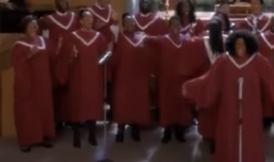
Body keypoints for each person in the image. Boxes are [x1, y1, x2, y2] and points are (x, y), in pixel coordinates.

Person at [182, 31, 274, 162]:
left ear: (249, 45)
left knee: (250, 137)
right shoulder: (223, 61)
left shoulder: (258, 60)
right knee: (228, 134)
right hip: (228, 106)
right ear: (231, 45)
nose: (240, 47)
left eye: (243, 44)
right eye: (237, 44)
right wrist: (191, 87)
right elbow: (209, 80)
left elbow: (272, 80)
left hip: (252, 107)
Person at [55, 9, 110, 148]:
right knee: (76, 106)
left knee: (93, 105)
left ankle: (92, 135)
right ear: (80, 21)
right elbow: (65, 57)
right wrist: (71, 56)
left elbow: (104, 55)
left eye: (91, 18)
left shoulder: (99, 37)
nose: (90, 20)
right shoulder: (72, 37)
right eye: (87, 18)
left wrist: (105, 58)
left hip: (94, 77)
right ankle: (76, 136)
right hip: (77, 77)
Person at [12, 15, 56, 152]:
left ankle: (42, 137)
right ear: (25, 28)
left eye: (36, 26)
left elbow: (53, 57)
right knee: (28, 111)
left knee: (43, 108)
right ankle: (26, 140)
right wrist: (29, 55)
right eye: (31, 26)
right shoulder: (19, 45)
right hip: (28, 81)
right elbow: (17, 63)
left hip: (43, 82)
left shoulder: (43, 40)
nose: (34, 28)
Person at [148, 16, 194, 143]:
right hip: (166, 78)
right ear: (168, 27)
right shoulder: (163, 39)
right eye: (172, 24)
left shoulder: (186, 40)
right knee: (167, 104)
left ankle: (180, 130)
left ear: (180, 26)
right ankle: (167, 130)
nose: (175, 26)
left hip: (182, 78)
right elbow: (150, 43)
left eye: (177, 23)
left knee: (181, 104)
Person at [186, 18, 228, 153]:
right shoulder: (227, 40)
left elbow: (192, 56)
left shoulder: (201, 42)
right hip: (222, 80)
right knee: (219, 109)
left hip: (207, 79)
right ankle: (218, 135)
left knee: (207, 109)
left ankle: (208, 135)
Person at [110, 14, 153, 142]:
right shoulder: (120, 38)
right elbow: (115, 59)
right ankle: (121, 129)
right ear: (123, 25)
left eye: (132, 22)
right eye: (127, 22)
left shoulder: (142, 37)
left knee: (137, 102)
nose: (131, 24)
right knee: (122, 102)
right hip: (123, 76)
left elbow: (149, 55)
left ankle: (135, 128)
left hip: (139, 76)